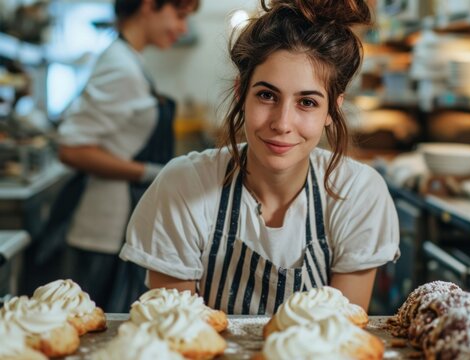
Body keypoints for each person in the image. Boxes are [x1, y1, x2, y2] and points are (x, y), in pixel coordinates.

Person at [120, 0, 400, 314]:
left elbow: (344, 336)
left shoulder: (358, 194)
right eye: (267, 95)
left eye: (307, 102)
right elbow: (179, 336)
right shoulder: (183, 186)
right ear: (241, 93)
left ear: (331, 110)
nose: (281, 123)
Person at [38, 0, 199, 312]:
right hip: (101, 231)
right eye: (179, 16)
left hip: (115, 227)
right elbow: (72, 149)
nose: (182, 28)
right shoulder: (120, 66)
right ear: (150, 6)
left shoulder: (128, 59)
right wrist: (154, 172)